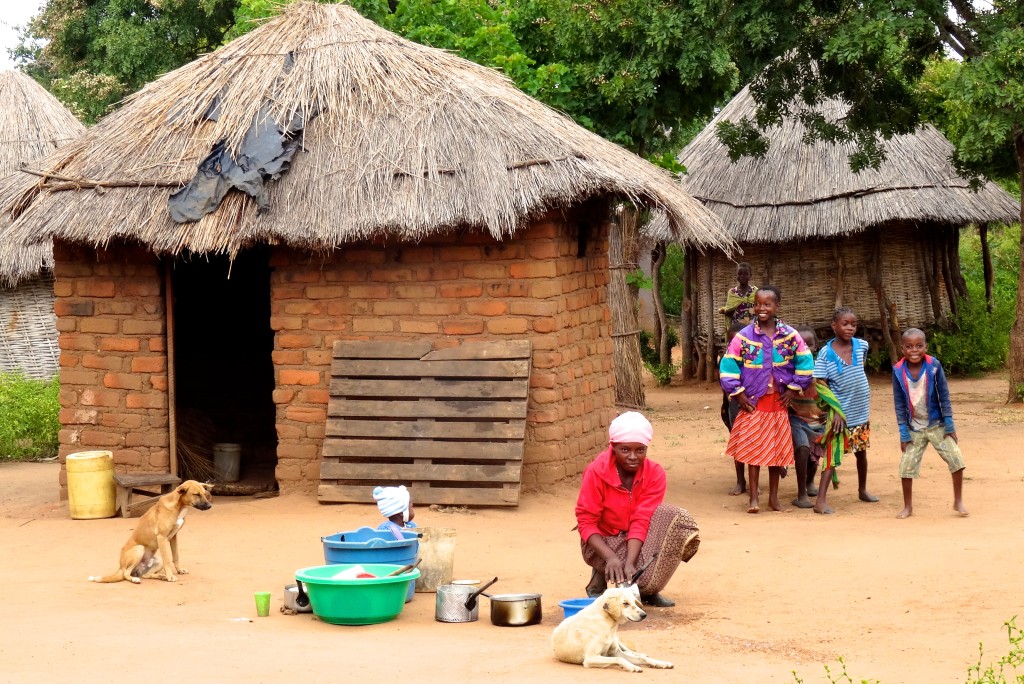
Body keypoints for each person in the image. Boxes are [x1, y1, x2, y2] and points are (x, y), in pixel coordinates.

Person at [575, 411, 700, 607]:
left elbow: (642, 519)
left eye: (640, 450)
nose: (633, 457)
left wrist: (630, 562)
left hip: (638, 538)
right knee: (618, 563)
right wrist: (611, 558)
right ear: (613, 447)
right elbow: (586, 521)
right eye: (625, 450)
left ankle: (647, 589)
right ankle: (601, 574)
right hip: (602, 540)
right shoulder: (596, 472)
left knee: (674, 518)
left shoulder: (655, 473)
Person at [719, 285, 814, 513]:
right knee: (753, 451)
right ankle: (753, 499)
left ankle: (773, 498)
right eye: (758, 304)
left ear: (777, 306)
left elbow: (805, 362)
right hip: (753, 403)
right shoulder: (744, 337)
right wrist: (739, 394)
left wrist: (792, 390)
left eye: (767, 304)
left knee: (775, 452)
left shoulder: (790, 336)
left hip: (778, 405)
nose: (761, 308)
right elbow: (728, 364)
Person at [892, 328, 968, 519]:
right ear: (903, 349)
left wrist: (949, 424)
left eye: (919, 346)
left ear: (926, 347)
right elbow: (899, 403)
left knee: (956, 459)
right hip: (914, 428)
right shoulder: (898, 371)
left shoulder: (934, 366)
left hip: (937, 425)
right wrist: (903, 431)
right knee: (906, 466)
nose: (914, 350)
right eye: (909, 346)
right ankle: (908, 506)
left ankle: (958, 500)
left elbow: (944, 395)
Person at [812, 307, 878, 514]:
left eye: (853, 324)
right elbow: (820, 384)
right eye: (845, 324)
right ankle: (820, 501)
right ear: (834, 326)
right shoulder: (826, 354)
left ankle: (862, 489)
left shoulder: (862, 346)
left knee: (861, 452)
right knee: (832, 456)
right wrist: (837, 411)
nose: (850, 328)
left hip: (860, 412)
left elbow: (859, 371)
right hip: (839, 416)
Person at [788, 326, 824, 509]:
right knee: (802, 449)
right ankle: (801, 493)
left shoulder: (820, 370)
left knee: (815, 454)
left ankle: (810, 482)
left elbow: (827, 393)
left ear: (815, 346)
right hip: (796, 418)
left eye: (809, 345)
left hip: (818, 418)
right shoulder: (787, 370)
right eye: (800, 345)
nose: (805, 349)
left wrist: (827, 412)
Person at [720, 320, 747, 496]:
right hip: (734, 405)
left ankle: (753, 481)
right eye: (731, 341)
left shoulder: (754, 359)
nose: (734, 344)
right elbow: (725, 387)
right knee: (738, 442)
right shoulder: (726, 360)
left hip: (752, 404)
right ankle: (740, 481)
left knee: (753, 442)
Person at [718, 262, 756, 326]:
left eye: (746, 274)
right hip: (736, 327)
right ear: (736, 275)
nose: (742, 276)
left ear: (750, 275)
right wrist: (725, 310)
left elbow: (759, 308)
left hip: (752, 326)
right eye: (739, 274)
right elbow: (729, 310)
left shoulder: (755, 292)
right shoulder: (732, 292)